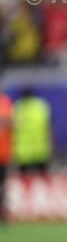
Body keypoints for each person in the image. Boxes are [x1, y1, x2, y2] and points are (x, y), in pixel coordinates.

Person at [12, 88, 52, 174]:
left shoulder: (18, 107)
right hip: (39, 149)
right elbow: (49, 127)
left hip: (24, 150)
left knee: (26, 179)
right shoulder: (41, 106)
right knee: (41, 178)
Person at [0, 88, 12, 222]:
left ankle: (4, 213)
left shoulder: (5, 102)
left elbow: (11, 123)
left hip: (3, 154)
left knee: (3, 186)